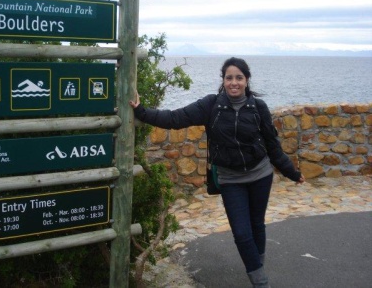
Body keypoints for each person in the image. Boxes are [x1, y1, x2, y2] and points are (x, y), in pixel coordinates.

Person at [129, 57, 305, 288]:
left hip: (260, 175)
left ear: (247, 80)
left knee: (257, 225)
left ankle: (256, 267)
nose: (234, 82)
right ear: (223, 80)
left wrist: (292, 172)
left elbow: (273, 146)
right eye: (229, 77)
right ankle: (261, 281)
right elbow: (175, 118)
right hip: (230, 179)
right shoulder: (211, 105)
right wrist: (142, 112)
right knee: (242, 233)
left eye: (239, 78)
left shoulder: (258, 107)